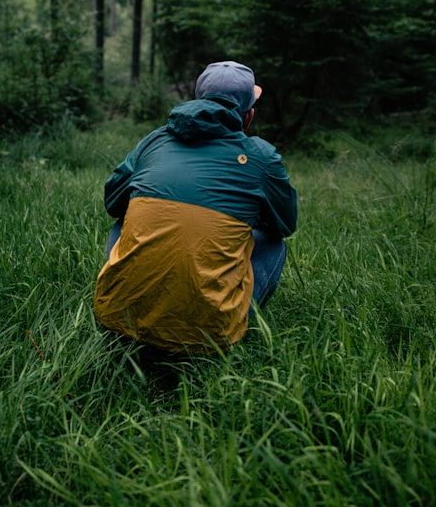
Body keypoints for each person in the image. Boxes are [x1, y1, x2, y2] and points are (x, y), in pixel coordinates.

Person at [93, 61, 298, 356]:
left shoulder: (154, 140)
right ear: (248, 115)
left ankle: (130, 309)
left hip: (116, 321)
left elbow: (113, 201)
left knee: (122, 220)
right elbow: (284, 224)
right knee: (274, 244)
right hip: (209, 339)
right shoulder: (263, 157)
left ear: (198, 98)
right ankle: (224, 321)